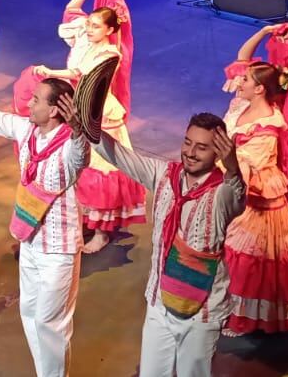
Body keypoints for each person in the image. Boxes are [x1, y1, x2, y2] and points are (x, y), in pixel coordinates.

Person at [88, 107, 245, 377]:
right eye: (188, 142)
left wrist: (233, 166)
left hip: (201, 311)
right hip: (160, 300)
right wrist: (85, 124)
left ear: (218, 154)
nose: (191, 152)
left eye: (202, 148)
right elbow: (120, 156)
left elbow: (237, 192)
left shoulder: (221, 195)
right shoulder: (164, 176)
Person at [0, 76, 88, 376]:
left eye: (37, 99)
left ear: (54, 111)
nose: (29, 102)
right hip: (30, 242)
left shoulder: (68, 146)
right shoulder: (27, 131)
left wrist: (79, 130)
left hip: (59, 250)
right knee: (29, 313)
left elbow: (81, 154)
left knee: (50, 323)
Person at [12, 0, 146, 252]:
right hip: (74, 105)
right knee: (75, 166)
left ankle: (101, 232)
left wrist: (50, 72)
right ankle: (83, 218)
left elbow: (77, 73)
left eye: (96, 26)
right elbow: (71, 9)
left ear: (109, 30)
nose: (89, 28)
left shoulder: (110, 53)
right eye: (90, 23)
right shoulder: (85, 37)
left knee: (99, 169)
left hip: (97, 110)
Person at [218, 53, 288, 335]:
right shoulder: (242, 105)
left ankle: (248, 320)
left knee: (252, 257)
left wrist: (222, 172)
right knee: (235, 251)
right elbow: (240, 59)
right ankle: (235, 311)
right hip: (238, 179)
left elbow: (252, 163)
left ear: (260, 88)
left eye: (247, 80)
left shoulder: (269, 124)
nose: (240, 81)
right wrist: (263, 31)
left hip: (257, 191)